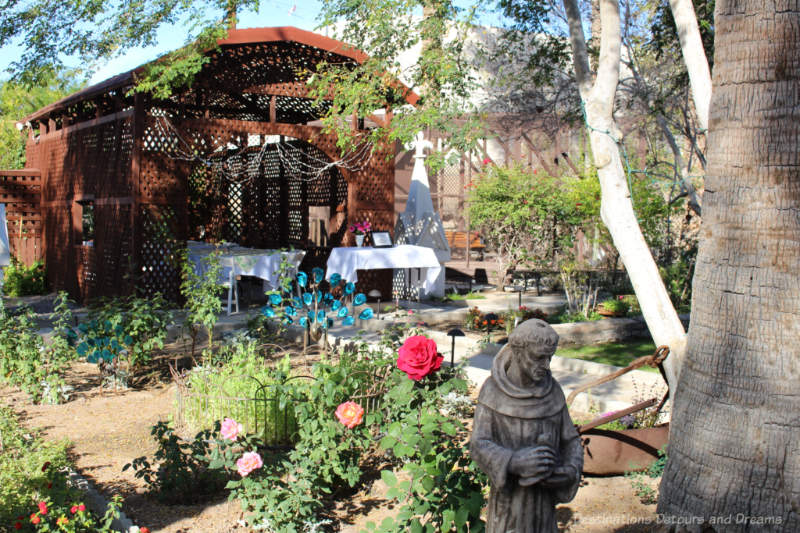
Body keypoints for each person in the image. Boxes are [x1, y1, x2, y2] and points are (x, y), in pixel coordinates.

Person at [471, 319, 583, 533]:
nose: (546, 365)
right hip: (508, 507)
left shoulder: (553, 391)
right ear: (517, 351)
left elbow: (571, 440)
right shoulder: (493, 391)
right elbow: (479, 443)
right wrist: (512, 461)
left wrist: (569, 470)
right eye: (539, 357)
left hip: (543, 506)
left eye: (549, 358)